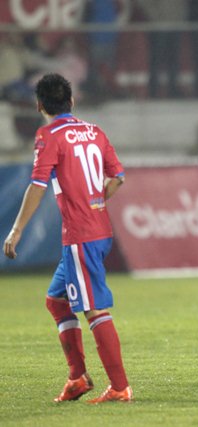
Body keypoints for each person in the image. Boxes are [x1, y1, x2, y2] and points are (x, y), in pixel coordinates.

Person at [2, 74, 132, 403]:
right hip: (99, 230)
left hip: (80, 235)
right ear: (72, 102)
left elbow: (38, 185)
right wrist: (96, 201)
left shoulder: (49, 135)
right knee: (56, 301)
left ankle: (119, 387)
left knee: (94, 310)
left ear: (40, 106)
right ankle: (77, 378)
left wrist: (16, 230)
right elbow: (117, 177)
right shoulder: (94, 131)